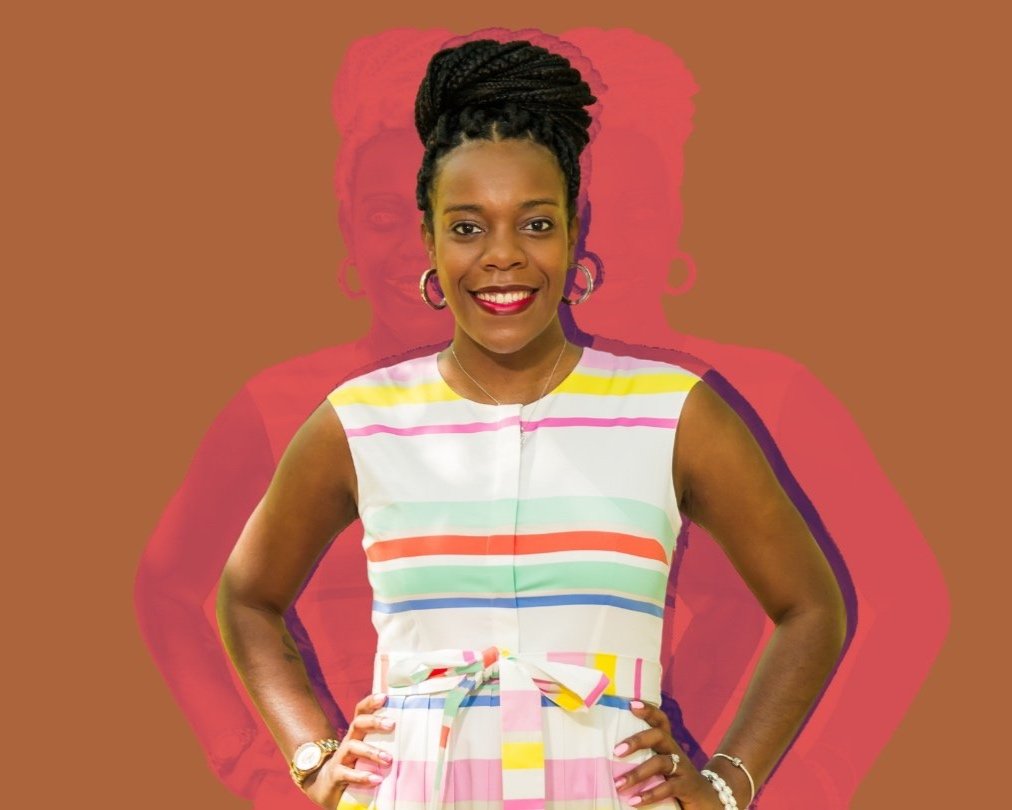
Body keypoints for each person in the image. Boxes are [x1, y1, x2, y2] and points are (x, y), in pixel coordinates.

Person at [216, 38, 846, 809]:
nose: (503, 257)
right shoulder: (360, 421)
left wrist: (725, 784)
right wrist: (315, 760)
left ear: (576, 229)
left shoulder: (674, 412)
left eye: (536, 224)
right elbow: (246, 596)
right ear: (428, 237)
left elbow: (811, 609)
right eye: (468, 227)